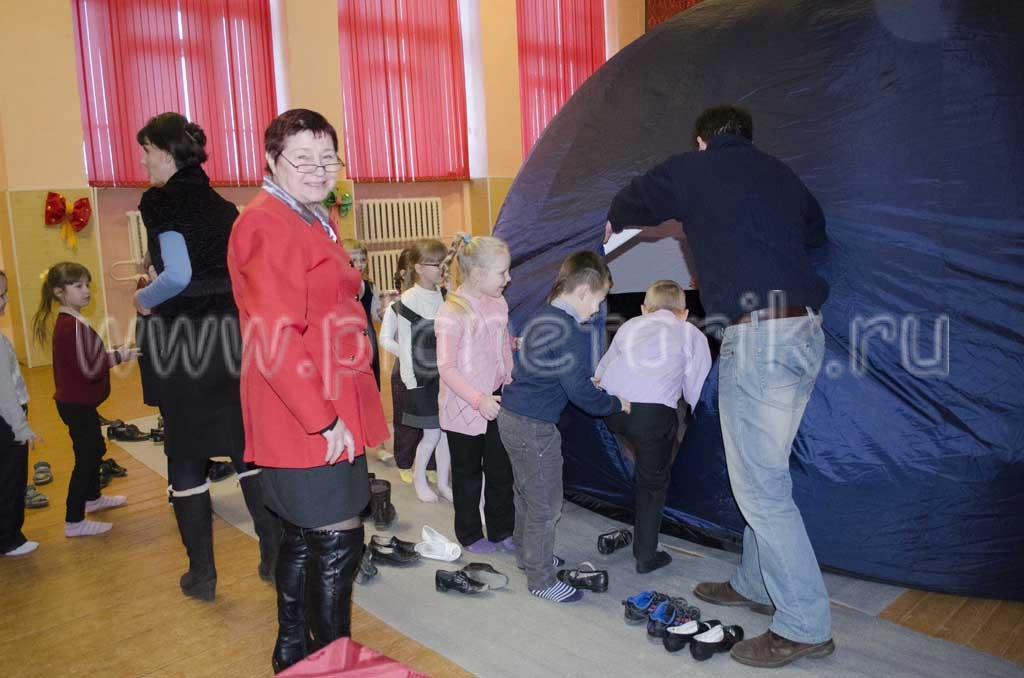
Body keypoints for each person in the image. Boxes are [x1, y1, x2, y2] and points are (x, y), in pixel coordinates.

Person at [605, 105, 833, 668]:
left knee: (761, 489)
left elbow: (633, 199)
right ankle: (756, 582)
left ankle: (804, 624)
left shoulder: (695, 169)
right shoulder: (781, 173)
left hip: (759, 339)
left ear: (702, 141)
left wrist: (616, 220)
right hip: (805, 333)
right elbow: (816, 231)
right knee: (767, 475)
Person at [227, 108, 388, 673]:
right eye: (303, 158)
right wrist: (323, 420)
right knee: (338, 542)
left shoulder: (309, 214)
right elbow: (274, 336)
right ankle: (332, 662)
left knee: (303, 536)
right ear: (272, 161)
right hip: (306, 410)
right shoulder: (266, 224)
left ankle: (295, 652)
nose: (319, 169)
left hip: (325, 397)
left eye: (328, 158)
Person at [134, 112, 280, 599]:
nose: (143, 161)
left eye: (147, 150)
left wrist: (143, 298)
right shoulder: (223, 205)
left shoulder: (160, 201)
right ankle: (273, 556)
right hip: (230, 339)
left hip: (185, 342)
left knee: (186, 455)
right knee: (245, 447)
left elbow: (177, 275)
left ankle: (202, 574)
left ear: (166, 152)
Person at [498, 251, 628, 603]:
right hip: (534, 427)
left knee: (527, 494)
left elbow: (547, 369)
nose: (597, 310)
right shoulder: (569, 329)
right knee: (546, 504)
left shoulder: (542, 316)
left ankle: (529, 555)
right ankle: (541, 579)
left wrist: (582, 383)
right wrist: (615, 403)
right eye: (598, 300)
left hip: (511, 417)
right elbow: (580, 393)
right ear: (583, 290)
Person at [593, 280, 711, 573]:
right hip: (651, 417)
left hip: (612, 409)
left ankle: (630, 470)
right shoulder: (691, 333)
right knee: (652, 485)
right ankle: (646, 555)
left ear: (645, 309)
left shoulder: (630, 325)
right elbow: (697, 391)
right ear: (684, 313)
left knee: (637, 446)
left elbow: (601, 372)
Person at [32, 263, 139, 538]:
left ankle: (93, 498)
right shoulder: (71, 327)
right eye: (78, 286)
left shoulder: (74, 321)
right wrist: (120, 355)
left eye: (87, 285)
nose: (86, 291)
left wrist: (113, 352)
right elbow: (89, 367)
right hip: (75, 405)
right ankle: (74, 520)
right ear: (59, 292)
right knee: (86, 457)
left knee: (95, 448)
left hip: (79, 403)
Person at [436, 236, 516, 554]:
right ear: (478, 274)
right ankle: (469, 533)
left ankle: (502, 528)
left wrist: (510, 377)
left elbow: (501, 344)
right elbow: (446, 367)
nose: (508, 278)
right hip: (464, 406)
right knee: (468, 475)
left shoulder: (499, 303)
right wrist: (477, 399)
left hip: (497, 400)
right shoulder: (451, 312)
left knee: (500, 470)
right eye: (502, 272)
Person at [386, 238, 453, 503]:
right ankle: (419, 476)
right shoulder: (408, 300)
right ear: (419, 268)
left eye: (443, 263)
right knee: (432, 434)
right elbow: (402, 345)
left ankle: (444, 482)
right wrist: (410, 380)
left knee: (446, 433)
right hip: (420, 379)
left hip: (444, 375)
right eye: (436, 264)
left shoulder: (444, 295)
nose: (441, 269)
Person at [0, 270, 43, 556]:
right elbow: (5, 393)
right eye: (1, 295)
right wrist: (21, 427)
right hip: (7, 420)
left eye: (5, 293)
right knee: (11, 477)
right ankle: (9, 538)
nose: (6, 300)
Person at [379, 250, 425, 482]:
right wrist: (407, 354)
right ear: (404, 274)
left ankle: (430, 465)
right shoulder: (395, 307)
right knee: (406, 419)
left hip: (430, 371)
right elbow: (386, 339)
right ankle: (405, 462)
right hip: (405, 371)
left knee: (430, 419)